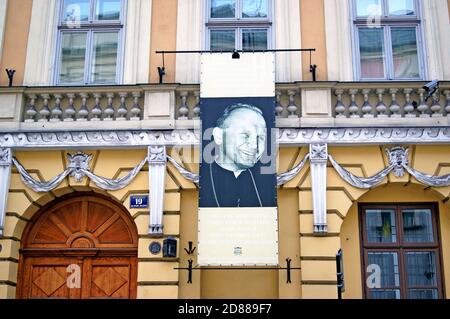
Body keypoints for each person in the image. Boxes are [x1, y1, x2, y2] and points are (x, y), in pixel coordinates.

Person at [200, 103, 275, 207]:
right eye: (245, 135)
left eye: (260, 138)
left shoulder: (269, 184)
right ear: (219, 136)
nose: (254, 146)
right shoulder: (202, 178)